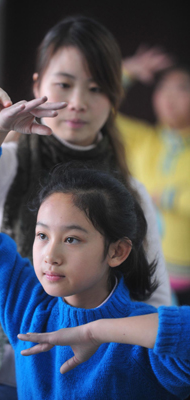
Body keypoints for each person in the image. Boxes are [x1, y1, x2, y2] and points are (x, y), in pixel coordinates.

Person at [0, 16, 171, 399]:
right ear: (37, 85)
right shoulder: (5, 159)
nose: (78, 102)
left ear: (114, 99)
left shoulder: (129, 192)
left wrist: (107, 339)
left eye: (96, 88)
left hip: (83, 376)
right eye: (64, 84)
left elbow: (155, 296)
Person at [0, 97, 190, 399]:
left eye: (72, 239)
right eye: (42, 236)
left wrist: (94, 332)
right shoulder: (27, 305)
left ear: (117, 252)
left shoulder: (144, 337)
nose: (50, 256)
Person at [118, 49, 190, 306]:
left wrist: (169, 197)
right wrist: (127, 72)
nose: (169, 96)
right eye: (163, 88)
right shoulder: (142, 139)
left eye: (181, 88)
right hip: (141, 272)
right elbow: (102, 112)